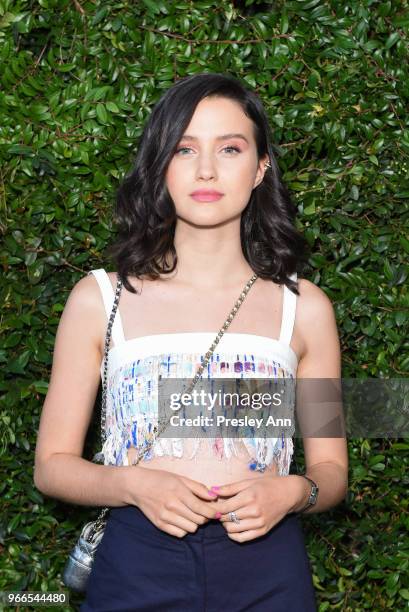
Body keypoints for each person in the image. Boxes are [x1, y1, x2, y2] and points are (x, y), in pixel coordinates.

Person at [34, 72, 348, 611]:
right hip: (135, 562)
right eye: (184, 149)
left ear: (260, 168)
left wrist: (294, 491)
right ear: (161, 167)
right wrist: (133, 486)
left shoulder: (306, 309)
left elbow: (332, 470)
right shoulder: (99, 300)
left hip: (268, 565)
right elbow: (52, 465)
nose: (206, 169)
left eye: (230, 148)